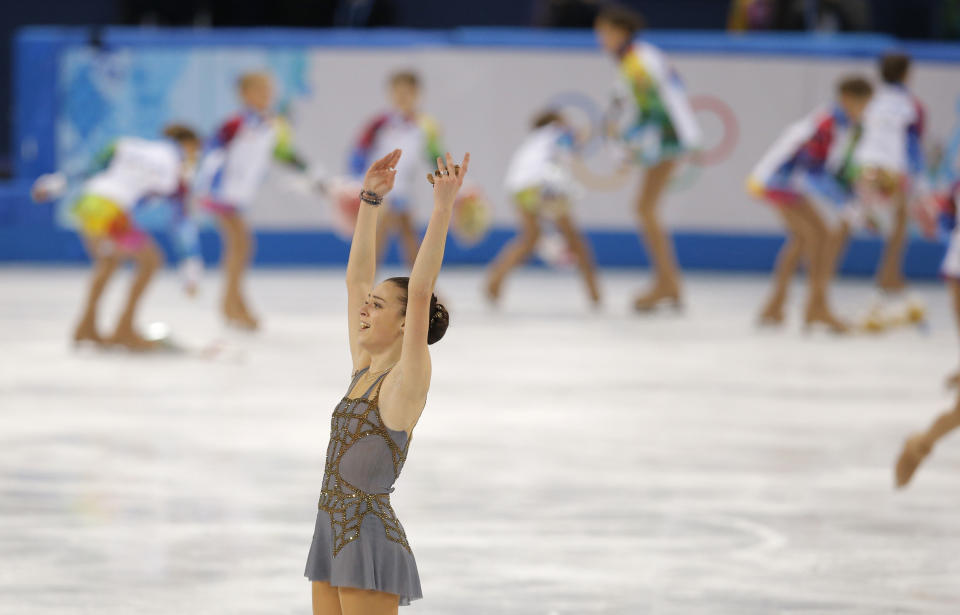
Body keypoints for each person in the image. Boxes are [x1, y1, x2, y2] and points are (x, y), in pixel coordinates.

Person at [305, 149, 468, 613]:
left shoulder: (404, 383)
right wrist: (370, 202)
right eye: (369, 303)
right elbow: (356, 279)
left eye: (378, 306)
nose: (365, 308)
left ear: (404, 324)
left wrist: (441, 209)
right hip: (330, 530)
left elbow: (419, 293)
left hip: (368, 535)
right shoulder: (363, 367)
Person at [31, 124, 201, 350]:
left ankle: (86, 326)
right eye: (194, 152)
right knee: (151, 261)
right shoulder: (177, 170)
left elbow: (87, 170)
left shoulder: (127, 145)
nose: (193, 159)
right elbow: (180, 222)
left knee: (108, 262)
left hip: (88, 204)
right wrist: (190, 267)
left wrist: (53, 185)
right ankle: (124, 328)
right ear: (187, 145)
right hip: (112, 214)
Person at [594, 4, 701, 311]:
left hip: (668, 136)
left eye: (603, 32)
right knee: (645, 208)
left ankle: (668, 282)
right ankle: (669, 282)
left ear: (619, 32)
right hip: (669, 133)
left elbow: (653, 108)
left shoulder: (636, 61)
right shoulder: (638, 57)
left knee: (645, 208)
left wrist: (630, 140)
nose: (600, 39)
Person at [194, 71, 320, 330]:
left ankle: (232, 303)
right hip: (221, 193)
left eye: (268, 90)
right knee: (241, 245)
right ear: (244, 94)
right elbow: (211, 152)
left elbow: (282, 152)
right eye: (260, 90)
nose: (266, 95)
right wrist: (210, 185)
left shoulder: (272, 124)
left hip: (238, 194)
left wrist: (307, 169)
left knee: (239, 247)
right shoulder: (235, 123)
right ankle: (232, 304)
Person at [747, 76, 874, 332]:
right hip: (779, 181)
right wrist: (847, 204)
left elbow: (827, 170)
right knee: (820, 237)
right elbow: (813, 171)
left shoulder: (840, 124)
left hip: (784, 181)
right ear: (848, 98)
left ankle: (778, 306)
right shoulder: (828, 124)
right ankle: (815, 308)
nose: (866, 111)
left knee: (806, 239)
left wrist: (849, 199)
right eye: (864, 104)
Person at [485, 109, 600, 306]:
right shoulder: (556, 131)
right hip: (542, 184)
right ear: (556, 120)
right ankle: (593, 291)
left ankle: (494, 282)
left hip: (519, 187)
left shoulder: (534, 141)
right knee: (573, 238)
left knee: (530, 238)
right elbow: (578, 137)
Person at [854, 52, 928, 310]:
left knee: (849, 220)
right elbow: (913, 143)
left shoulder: (870, 100)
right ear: (906, 74)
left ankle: (888, 276)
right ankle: (889, 275)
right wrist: (919, 177)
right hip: (892, 167)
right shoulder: (910, 104)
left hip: (864, 164)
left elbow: (856, 131)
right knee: (899, 221)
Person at [349, 71, 444, 267]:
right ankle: (368, 286)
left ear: (417, 94)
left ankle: (422, 287)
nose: (402, 97)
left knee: (409, 235)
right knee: (378, 234)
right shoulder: (379, 123)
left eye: (407, 92)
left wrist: (446, 176)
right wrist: (357, 181)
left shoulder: (426, 126)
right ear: (390, 93)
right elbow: (359, 151)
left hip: (403, 188)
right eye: (398, 92)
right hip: (380, 187)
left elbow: (434, 155)